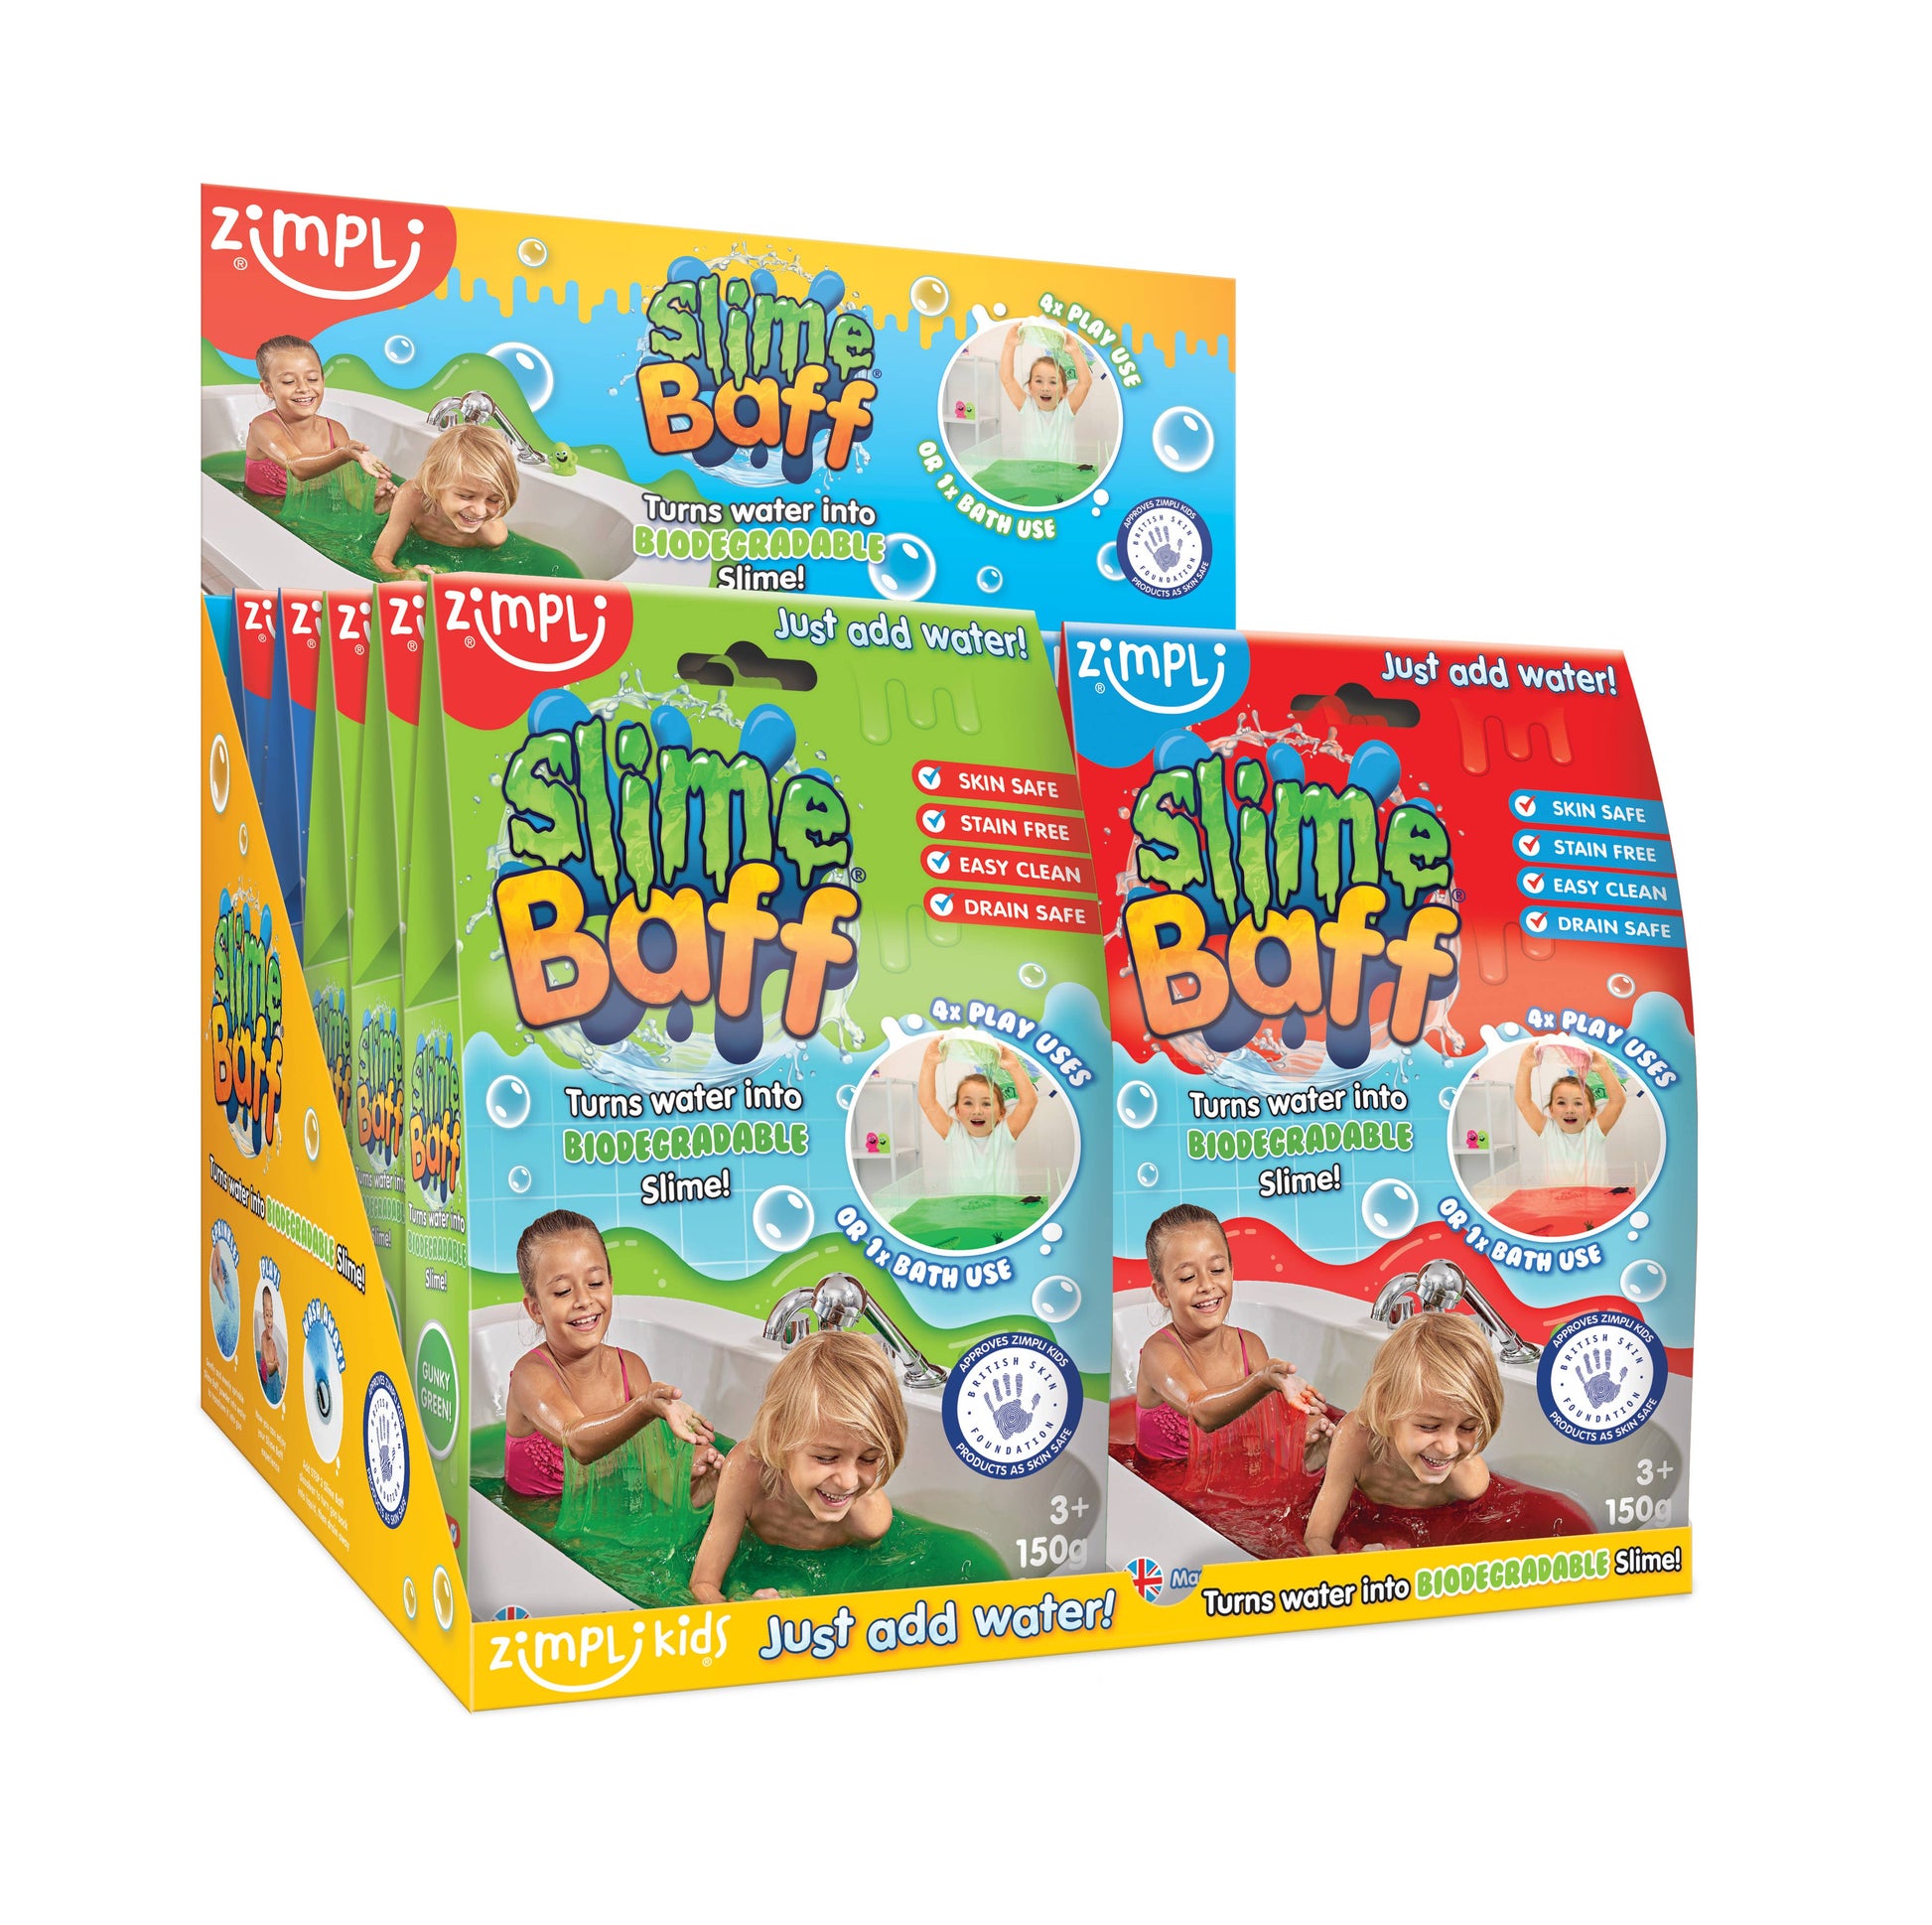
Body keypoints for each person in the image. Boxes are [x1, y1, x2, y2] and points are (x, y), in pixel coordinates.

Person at [503, 1210, 722, 1502]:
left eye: (595, 1283)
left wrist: (697, 1486)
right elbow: (576, 1440)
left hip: (608, 1518)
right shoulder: (530, 1375)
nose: (584, 1300)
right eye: (563, 1291)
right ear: (535, 1309)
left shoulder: (630, 1369)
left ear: (610, 1284)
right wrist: (644, 1407)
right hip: (531, 1524)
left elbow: (658, 1477)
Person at [691, 1331, 906, 1603]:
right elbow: (702, 1583)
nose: (848, 1481)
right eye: (826, 1458)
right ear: (778, 1438)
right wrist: (739, 1612)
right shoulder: (746, 1472)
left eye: (869, 1459)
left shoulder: (870, 1522)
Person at [1134, 1204, 1330, 1461]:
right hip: (1160, 1482)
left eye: (1217, 1270)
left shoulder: (1250, 1346)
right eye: (1188, 1277)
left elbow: (1274, 1436)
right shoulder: (1158, 1353)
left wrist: (1308, 1435)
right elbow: (1200, 1410)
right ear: (1162, 1293)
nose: (1207, 1285)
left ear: (1231, 1271)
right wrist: (1262, 1380)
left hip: (1231, 1473)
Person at [1303, 1311, 1503, 1557]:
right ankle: (1322, 1456)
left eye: (1467, 1428)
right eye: (1429, 1426)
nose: (1449, 1447)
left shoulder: (1469, 1483)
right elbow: (1315, 1538)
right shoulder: (1356, 1439)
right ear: (1385, 1410)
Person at [243, 336, 392, 501]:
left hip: (315, 510)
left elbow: (351, 492)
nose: (303, 388)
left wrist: (376, 499)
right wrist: (343, 453)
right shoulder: (262, 426)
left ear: (322, 381)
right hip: (262, 510)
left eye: (312, 379)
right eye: (288, 381)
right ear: (268, 389)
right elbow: (296, 466)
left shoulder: (335, 431)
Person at [372, 422, 519, 576]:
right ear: (434, 481)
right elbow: (380, 557)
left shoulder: (493, 537)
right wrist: (401, 575)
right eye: (466, 496)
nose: (479, 511)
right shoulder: (412, 498)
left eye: (493, 500)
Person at [916, 1036, 1038, 1195]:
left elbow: (1029, 1102)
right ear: (958, 1111)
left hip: (1003, 1210)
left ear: (1001, 1113)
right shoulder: (955, 1134)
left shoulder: (1005, 1133)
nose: (977, 1111)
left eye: (986, 1103)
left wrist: (1013, 1066)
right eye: (968, 1103)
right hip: (964, 1209)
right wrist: (929, 1062)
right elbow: (928, 1103)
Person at [1513, 1042, 1627, 1187]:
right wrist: (1525, 1066)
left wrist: (1603, 1068)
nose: (1570, 1110)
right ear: (1551, 1110)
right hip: (1556, 1200)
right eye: (1561, 1103)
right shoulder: (1549, 1131)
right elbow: (1524, 1102)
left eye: (1578, 1103)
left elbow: (1618, 1101)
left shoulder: (1595, 1131)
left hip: (1594, 1201)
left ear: (1592, 1112)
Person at [997, 326, 1094, 464]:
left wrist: (1075, 350)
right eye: (1039, 381)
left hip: (1062, 476)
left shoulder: (1066, 409)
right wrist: (1009, 344)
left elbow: (1085, 383)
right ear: (1030, 387)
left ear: (1064, 391)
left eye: (1053, 382)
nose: (1045, 388)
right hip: (1032, 474)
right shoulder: (1027, 406)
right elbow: (1007, 379)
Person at [255, 1286, 284, 1404]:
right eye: (267, 1315)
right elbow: (268, 1369)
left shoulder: (272, 1342)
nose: (269, 1320)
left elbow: (276, 1360)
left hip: (269, 1376)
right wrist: (276, 1365)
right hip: (265, 1377)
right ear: (263, 1316)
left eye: (271, 1315)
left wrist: (281, 1381)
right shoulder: (264, 1338)